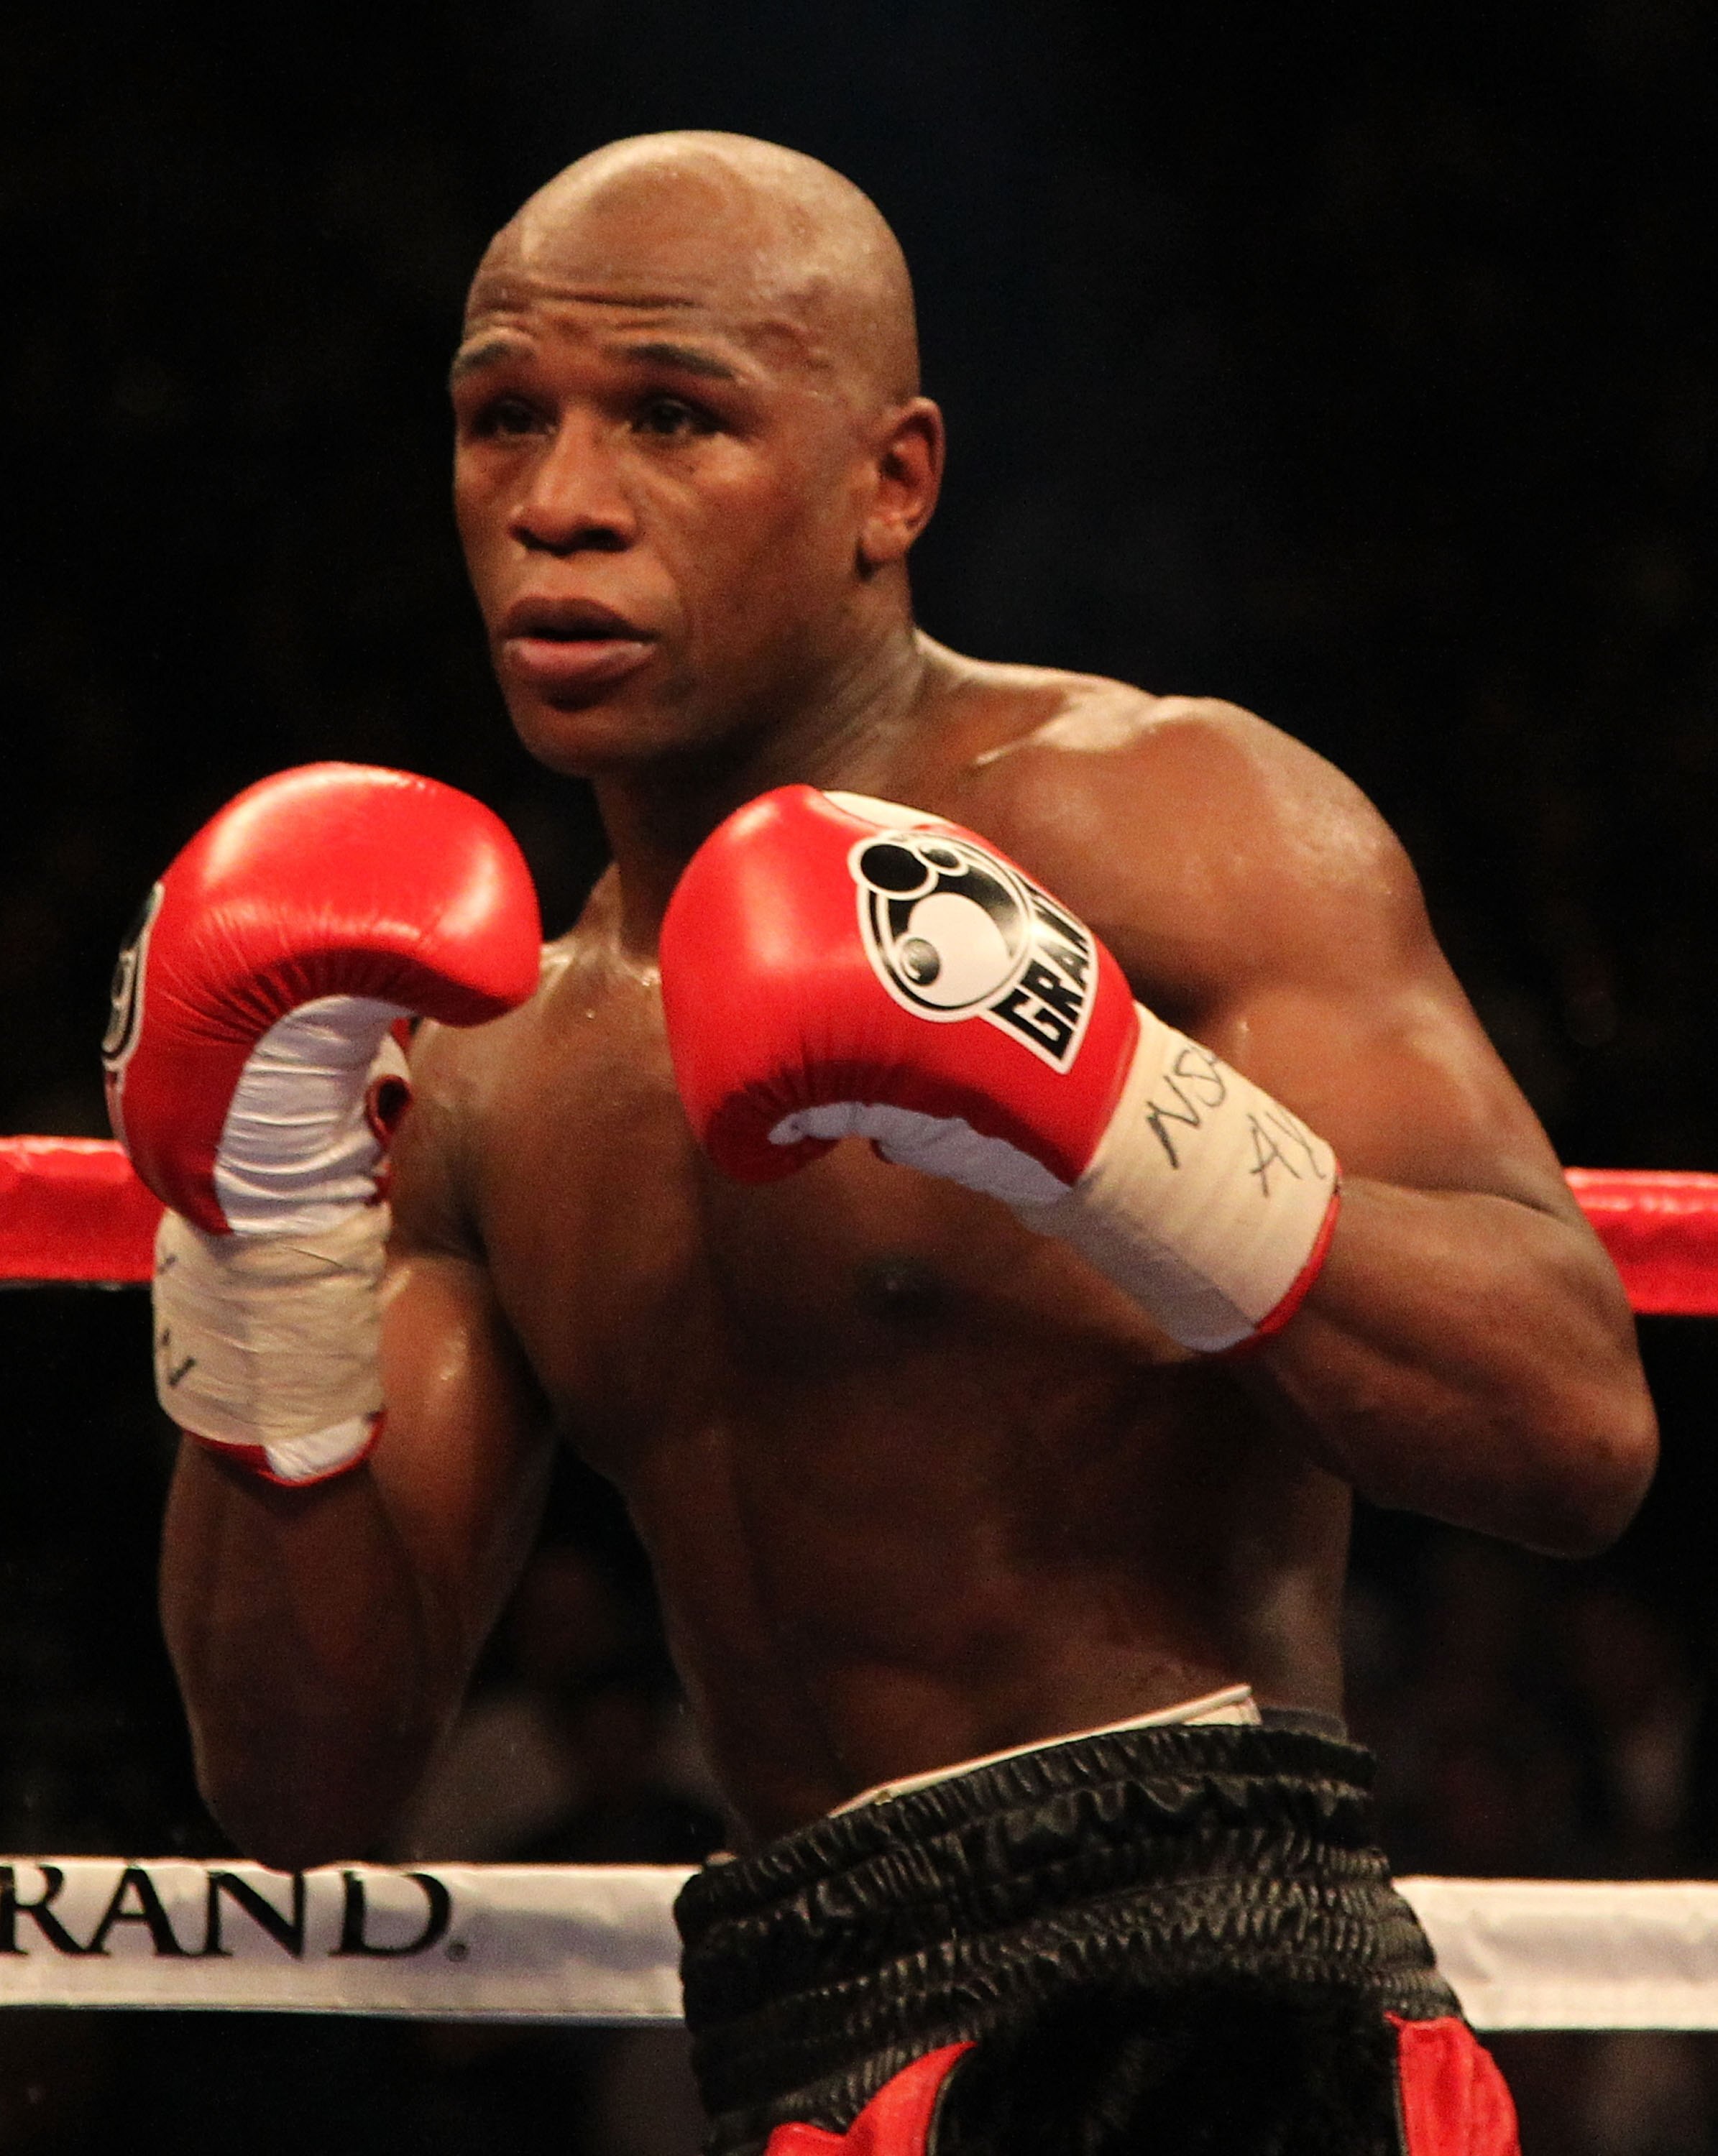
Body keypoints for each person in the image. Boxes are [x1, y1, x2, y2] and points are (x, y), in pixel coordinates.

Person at [109, 133, 1658, 2154]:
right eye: (504, 422)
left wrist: (1096, 1102)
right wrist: (261, 1237)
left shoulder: (1168, 820)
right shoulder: (473, 1063)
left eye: (673, 417)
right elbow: (300, 1781)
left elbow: (1575, 1429)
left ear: (890, 483)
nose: (559, 506)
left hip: (1212, 2008)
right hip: (795, 2034)